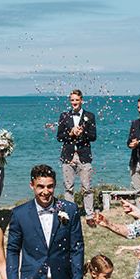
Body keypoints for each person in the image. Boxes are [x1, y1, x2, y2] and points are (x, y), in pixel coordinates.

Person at [57, 89, 97, 220]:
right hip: (68, 155)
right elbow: (59, 136)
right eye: (72, 100)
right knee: (68, 186)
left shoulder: (89, 116)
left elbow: (93, 136)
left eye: (76, 100)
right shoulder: (64, 116)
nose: (74, 102)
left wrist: (82, 133)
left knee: (87, 187)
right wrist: (70, 133)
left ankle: (89, 214)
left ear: (81, 100)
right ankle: (70, 212)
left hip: (84, 155)